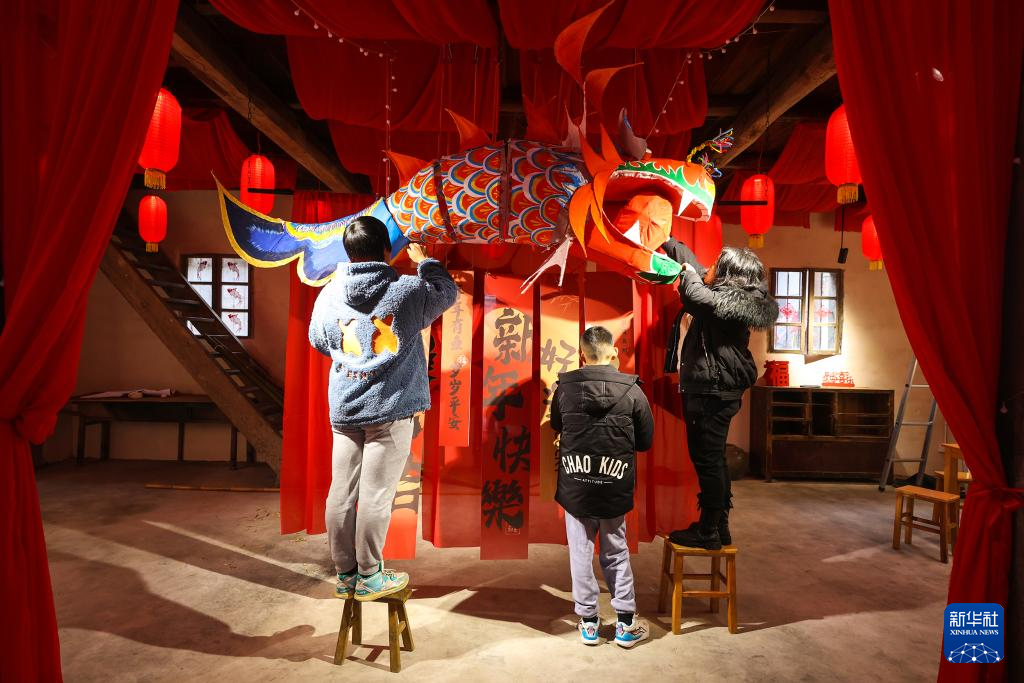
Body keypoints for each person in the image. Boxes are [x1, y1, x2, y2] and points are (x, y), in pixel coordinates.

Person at [309, 217, 457, 601]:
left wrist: (353, 359)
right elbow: (446, 292)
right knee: (375, 496)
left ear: (348, 252)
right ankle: (370, 576)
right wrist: (425, 261)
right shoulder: (406, 290)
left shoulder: (328, 294)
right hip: (390, 409)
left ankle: (346, 575)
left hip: (345, 407)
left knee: (341, 493)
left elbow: (318, 340)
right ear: (386, 249)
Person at [662, 239, 778, 550]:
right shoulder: (731, 294)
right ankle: (718, 525)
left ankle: (708, 531)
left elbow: (694, 294)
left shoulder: (728, 303)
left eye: (716, 264)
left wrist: (688, 273)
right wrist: (667, 240)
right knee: (713, 460)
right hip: (717, 389)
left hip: (712, 391)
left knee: (708, 462)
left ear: (728, 275)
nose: (709, 267)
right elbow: (696, 267)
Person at [551, 326, 655, 648]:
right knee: (616, 550)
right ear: (614, 353)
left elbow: (556, 425)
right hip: (614, 483)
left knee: (580, 553)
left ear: (582, 356)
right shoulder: (633, 391)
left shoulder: (564, 388)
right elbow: (645, 441)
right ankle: (625, 624)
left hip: (576, 484)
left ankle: (589, 623)